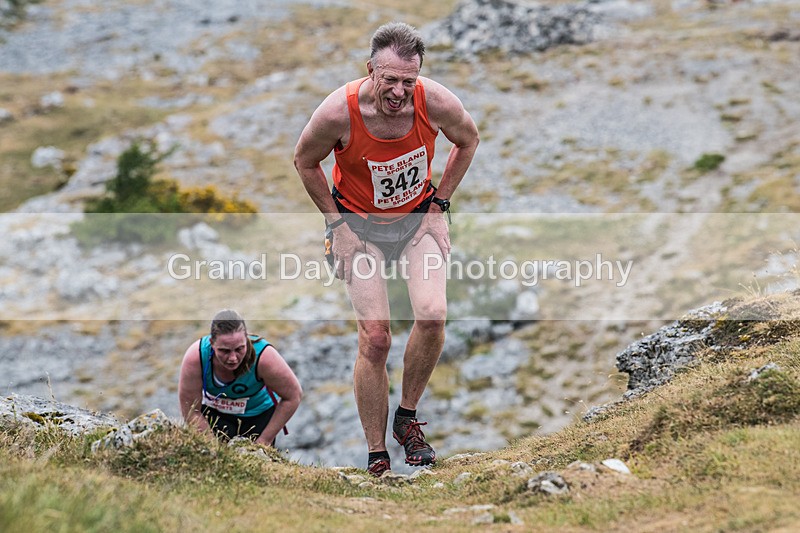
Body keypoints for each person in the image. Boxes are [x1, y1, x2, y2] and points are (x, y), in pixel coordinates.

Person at [293, 21, 479, 476]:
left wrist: (439, 206)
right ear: (370, 70)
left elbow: (468, 140)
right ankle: (377, 455)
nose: (398, 92)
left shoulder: (434, 102)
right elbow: (304, 160)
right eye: (389, 79)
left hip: (417, 222)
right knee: (376, 338)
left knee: (433, 315)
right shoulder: (339, 111)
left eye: (408, 82)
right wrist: (336, 225)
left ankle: (408, 419)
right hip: (359, 229)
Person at [178, 309, 302, 446]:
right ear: (212, 342)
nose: (232, 358)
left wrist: (264, 441)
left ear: (246, 338)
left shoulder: (265, 357)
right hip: (215, 415)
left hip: (257, 417)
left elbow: (293, 396)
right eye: (224, 350)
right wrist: (212, 448)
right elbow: (190, 410)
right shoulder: (196, 357)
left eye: (239, 349)